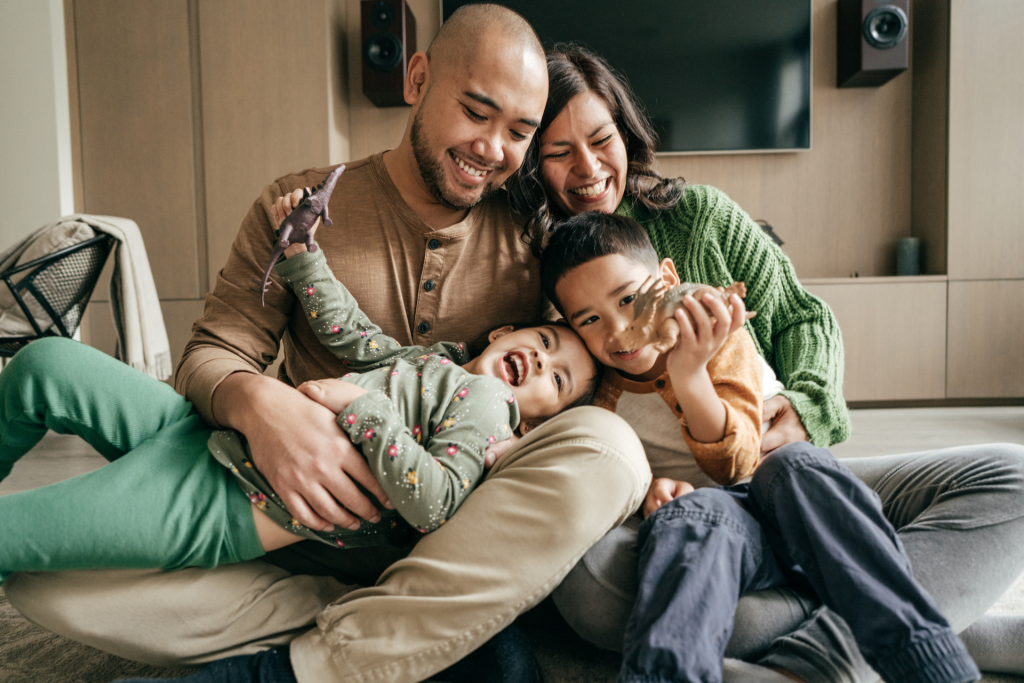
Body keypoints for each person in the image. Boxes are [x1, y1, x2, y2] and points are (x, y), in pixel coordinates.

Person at [1, 8, 650, 683]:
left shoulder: (534, 246)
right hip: (260, 502)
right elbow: (215, 351)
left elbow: (590, 374)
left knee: (505, 662)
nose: (492, 148)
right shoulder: (300, 204)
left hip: (415, 570)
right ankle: (327, 629)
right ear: (418, 77)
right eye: (476, 112)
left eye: (519, 132)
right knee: (43, 570)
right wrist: (259, 405)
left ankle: (330, 638)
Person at [506, 43, 1024, 681]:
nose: (587, 168)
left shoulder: (698, 217)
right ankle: (929, 625)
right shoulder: (521, 258)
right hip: (679, 507)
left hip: (782, 470)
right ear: (531, 164)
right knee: (603, 589)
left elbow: (805, 318)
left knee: (1010, 480)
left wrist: (804, 407)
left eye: (601, 138)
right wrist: (640, 492)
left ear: (626, 133)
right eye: (558, 153)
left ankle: (823, 655)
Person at [0, 219, 601, 580]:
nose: (544, 362)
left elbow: (434, 504)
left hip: (236, 496)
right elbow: (348, 330)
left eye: (559, 381)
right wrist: (302, 256)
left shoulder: (490, 411)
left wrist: (358, 409)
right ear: (505, 333)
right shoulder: (429, 362)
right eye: (545, 341)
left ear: (543, 418)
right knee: (42, 363)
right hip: (209, 429)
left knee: (14, 531)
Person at [539, 211, 980, 683]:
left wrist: (689, 372)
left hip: (794, 505)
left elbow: (737, 461)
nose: (619, 329)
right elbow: (606, 472)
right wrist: (645, 490)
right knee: (689, 517)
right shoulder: (604, 398)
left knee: (793, 465)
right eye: (589, 320)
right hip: (724, 531)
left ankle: (931, 663)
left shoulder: (723, 340)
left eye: (629, 299)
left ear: (667, 279)